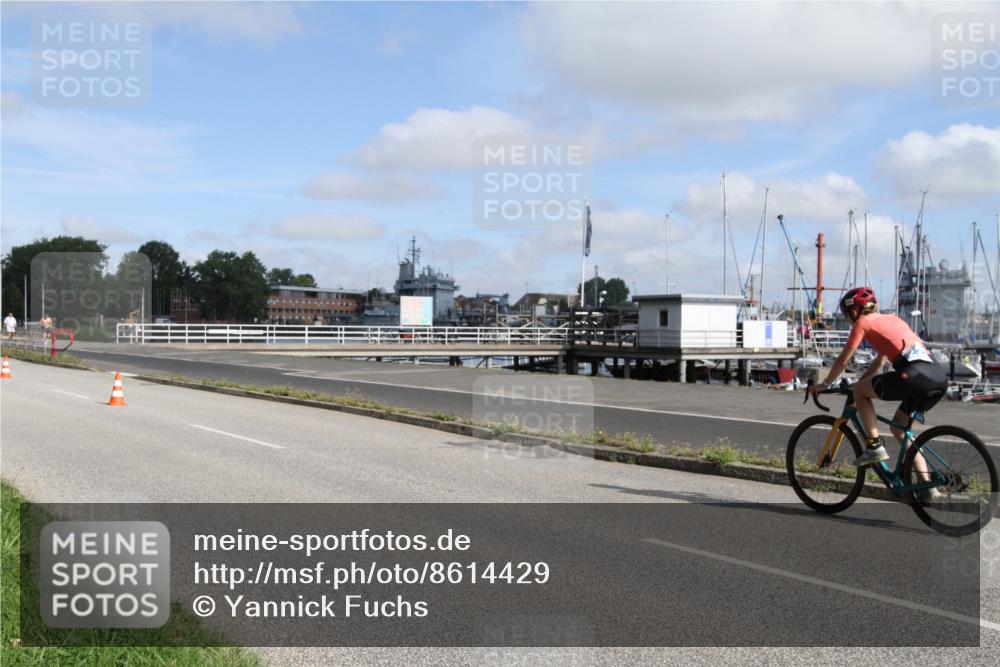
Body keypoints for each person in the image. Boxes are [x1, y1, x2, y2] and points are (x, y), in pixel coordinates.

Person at [809, 286, 948, 468]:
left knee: (860, 392)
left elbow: (843, 360)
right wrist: (861, 383)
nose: (848, 320)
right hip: (937, 377)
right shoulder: (892, 319)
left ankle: (874, 446)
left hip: (913, 374)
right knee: (899, 427)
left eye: (846, 315)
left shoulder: (863, 323)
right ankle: (928, 488)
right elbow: (879, 362)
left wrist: (825, 384)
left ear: (854, 310)